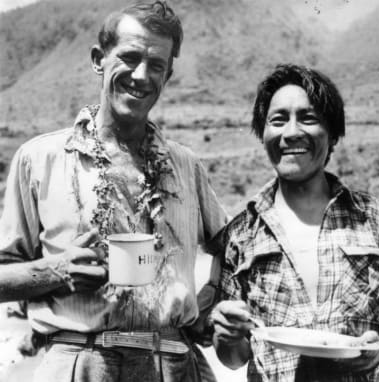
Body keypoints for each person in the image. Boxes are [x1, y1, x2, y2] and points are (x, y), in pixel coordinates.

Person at [0, 2, 227, 381]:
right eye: (129, 57)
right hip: (80, 361)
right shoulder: (39, 159)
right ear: (97, 59)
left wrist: (208, 302)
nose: (141, 75)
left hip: (172, 362)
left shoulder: (186, 165)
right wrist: (56, 270)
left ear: (167, 75)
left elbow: (233, 249)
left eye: (156, 65)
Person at [210, 64, 379, 382]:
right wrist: (227, 335)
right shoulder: (242, 233)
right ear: (264, 133)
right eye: (278, 120)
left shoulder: (375, 220)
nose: (292, 132)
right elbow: (233, 359)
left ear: (332, 134)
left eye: (308, 118)